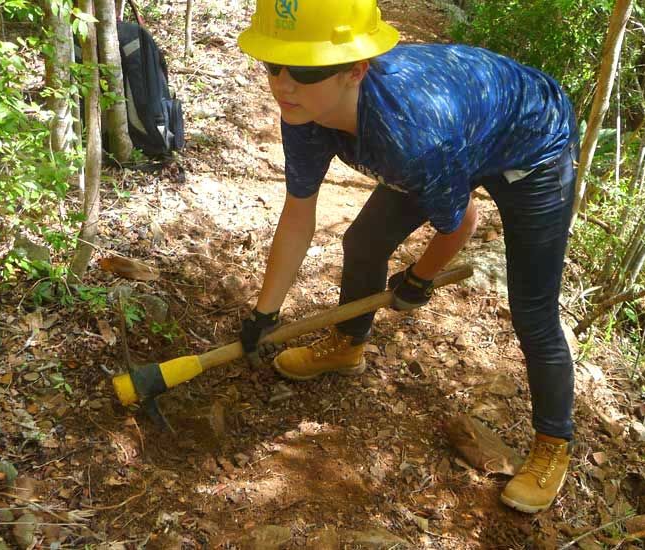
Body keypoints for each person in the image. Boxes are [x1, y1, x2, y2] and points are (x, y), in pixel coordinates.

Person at [236, 0, 579, 513]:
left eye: (303, 69)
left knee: (532, 310)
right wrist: (266, 312)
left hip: (531, 147)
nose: (282, 83)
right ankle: (348, 345)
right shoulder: (304, 107)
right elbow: (298, 213)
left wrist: (420, 279)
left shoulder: (411, 136)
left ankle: (554, 445)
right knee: (364, 243)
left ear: (355, 69)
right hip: (461, 130)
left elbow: (462, 221)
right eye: (273, 65)